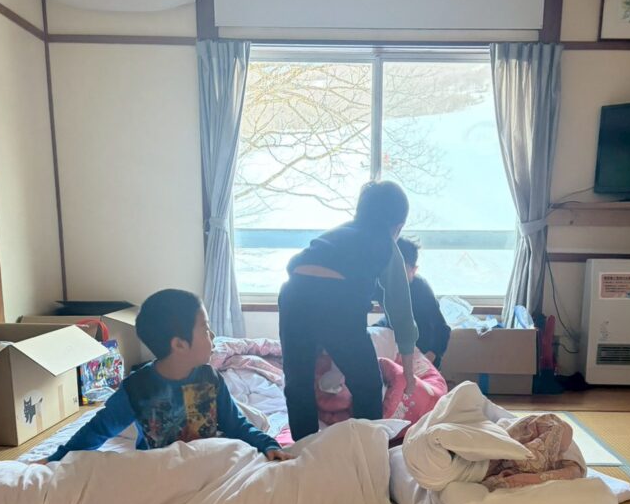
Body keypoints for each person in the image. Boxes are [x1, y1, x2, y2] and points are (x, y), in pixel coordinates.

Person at [41, 289, 291, 463]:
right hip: (160, 468)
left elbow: (235, 424)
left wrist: (267, 444)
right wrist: (56, 458)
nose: (213, 336)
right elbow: (99, 429)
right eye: (205, 329)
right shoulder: (138, 389)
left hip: (205, 461)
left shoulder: (209, 378)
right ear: (179, 344)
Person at [279, 180, 418, 441]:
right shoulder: (387, 245)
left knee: (298, 382)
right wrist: (409, 375)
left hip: (293, 294)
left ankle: (304, 450)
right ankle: (368, 448)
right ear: (397, 227)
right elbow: (401, 313)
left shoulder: (337, 233)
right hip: (337, 300)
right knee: (367, 383)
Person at [378, 237, 451, 369]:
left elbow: (442, 328)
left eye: (400, 271)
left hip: (423, 343)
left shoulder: (420, 288)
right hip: (396, 336)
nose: (394, 277)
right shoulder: (381, 283)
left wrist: (430, 356)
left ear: (413, 270)